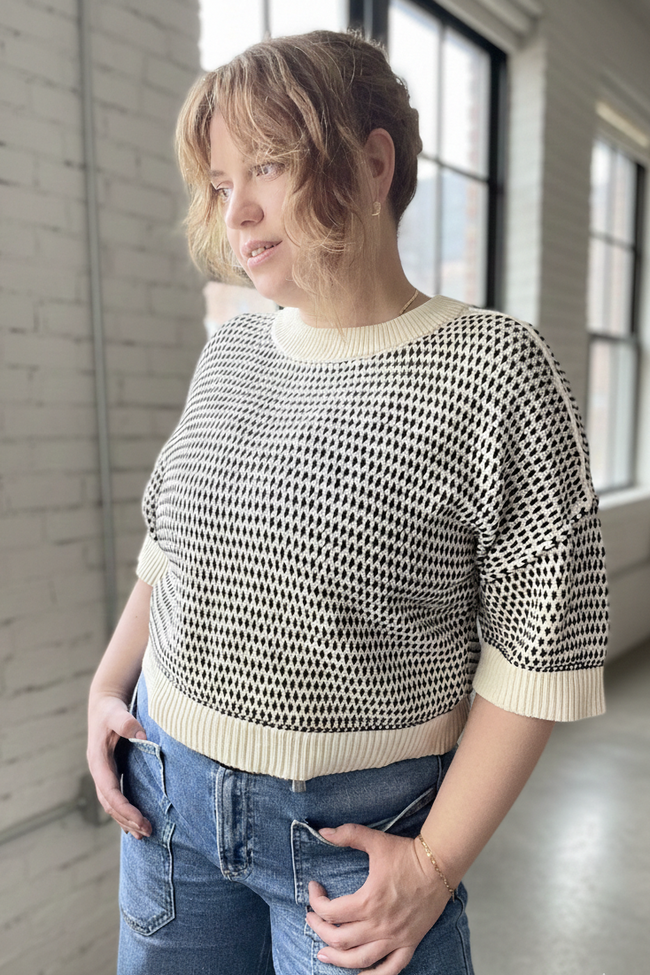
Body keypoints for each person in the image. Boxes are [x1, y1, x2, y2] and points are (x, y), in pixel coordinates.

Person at [87, 29, 608, 975]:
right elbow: (171, 549)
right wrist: (109, 683)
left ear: (372, 163)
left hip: (354, 846)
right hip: (165, 797)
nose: (236, 211)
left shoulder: (495, 368)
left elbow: (543, 646)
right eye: (217, 181)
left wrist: (436, 863)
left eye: (270, 166)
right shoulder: (232, 353)